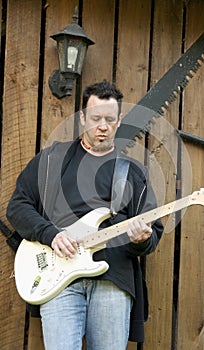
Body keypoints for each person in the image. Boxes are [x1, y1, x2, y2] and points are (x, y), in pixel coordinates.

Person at [7, 80, 163, 350]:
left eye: (109, 119)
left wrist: (142, 239)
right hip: (58, 279)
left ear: (119, 120)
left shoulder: (132, 172)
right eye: (96, 118)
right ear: (82, 118)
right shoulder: (52, 159)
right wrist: (51, 234)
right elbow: (18, 206)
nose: (102, 126)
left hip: (112, 280)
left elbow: (151, 235)